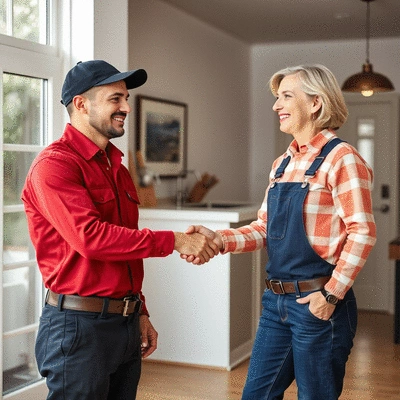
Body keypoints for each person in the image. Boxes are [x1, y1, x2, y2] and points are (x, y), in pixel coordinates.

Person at [21, 60, 219, 400]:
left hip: (124, 324)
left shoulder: (117, 168)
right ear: (81, 104)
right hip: (78, 328)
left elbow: (122, 251)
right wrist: (175, 240)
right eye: (116, 99)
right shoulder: (55, 165)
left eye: (125, 98)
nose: (126, 107)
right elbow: (92, 239)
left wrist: (139, 309)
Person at [184, 64, 377, 399]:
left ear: (315, 103)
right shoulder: (282, 164)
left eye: (286, 96)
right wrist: (218, 240)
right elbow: (263, 228)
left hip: (319, 303)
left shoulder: (342, 158)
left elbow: (362, 232)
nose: (275, 106)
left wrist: (331, 295)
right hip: (276, 304)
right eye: (277, 98)